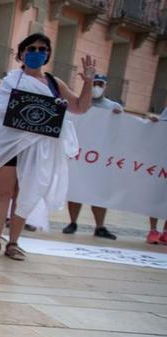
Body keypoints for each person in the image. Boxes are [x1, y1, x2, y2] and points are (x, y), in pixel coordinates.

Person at [0, 33, 94, 261]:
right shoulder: (10, 81)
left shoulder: (55, 83)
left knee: (24, 195)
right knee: (2, 193)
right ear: (22, 53)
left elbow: (79, 107)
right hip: (7, 147)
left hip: (38, 150)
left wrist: (88, 83)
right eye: (32, 48)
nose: (37, 52)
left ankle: (14, 243)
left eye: (42, 49)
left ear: (48, 54)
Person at [61, 74, 120, 240]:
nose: (97, 87)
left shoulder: (114, 107)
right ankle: (72, 223)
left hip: (101, 157)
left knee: (100, 192)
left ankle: (100, 226)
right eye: (94, 83)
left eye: (100, 84)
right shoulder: (79, 103)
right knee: (76, 189)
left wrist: (119, 117)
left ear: (105, 86)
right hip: (80, 155)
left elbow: (122, 131)